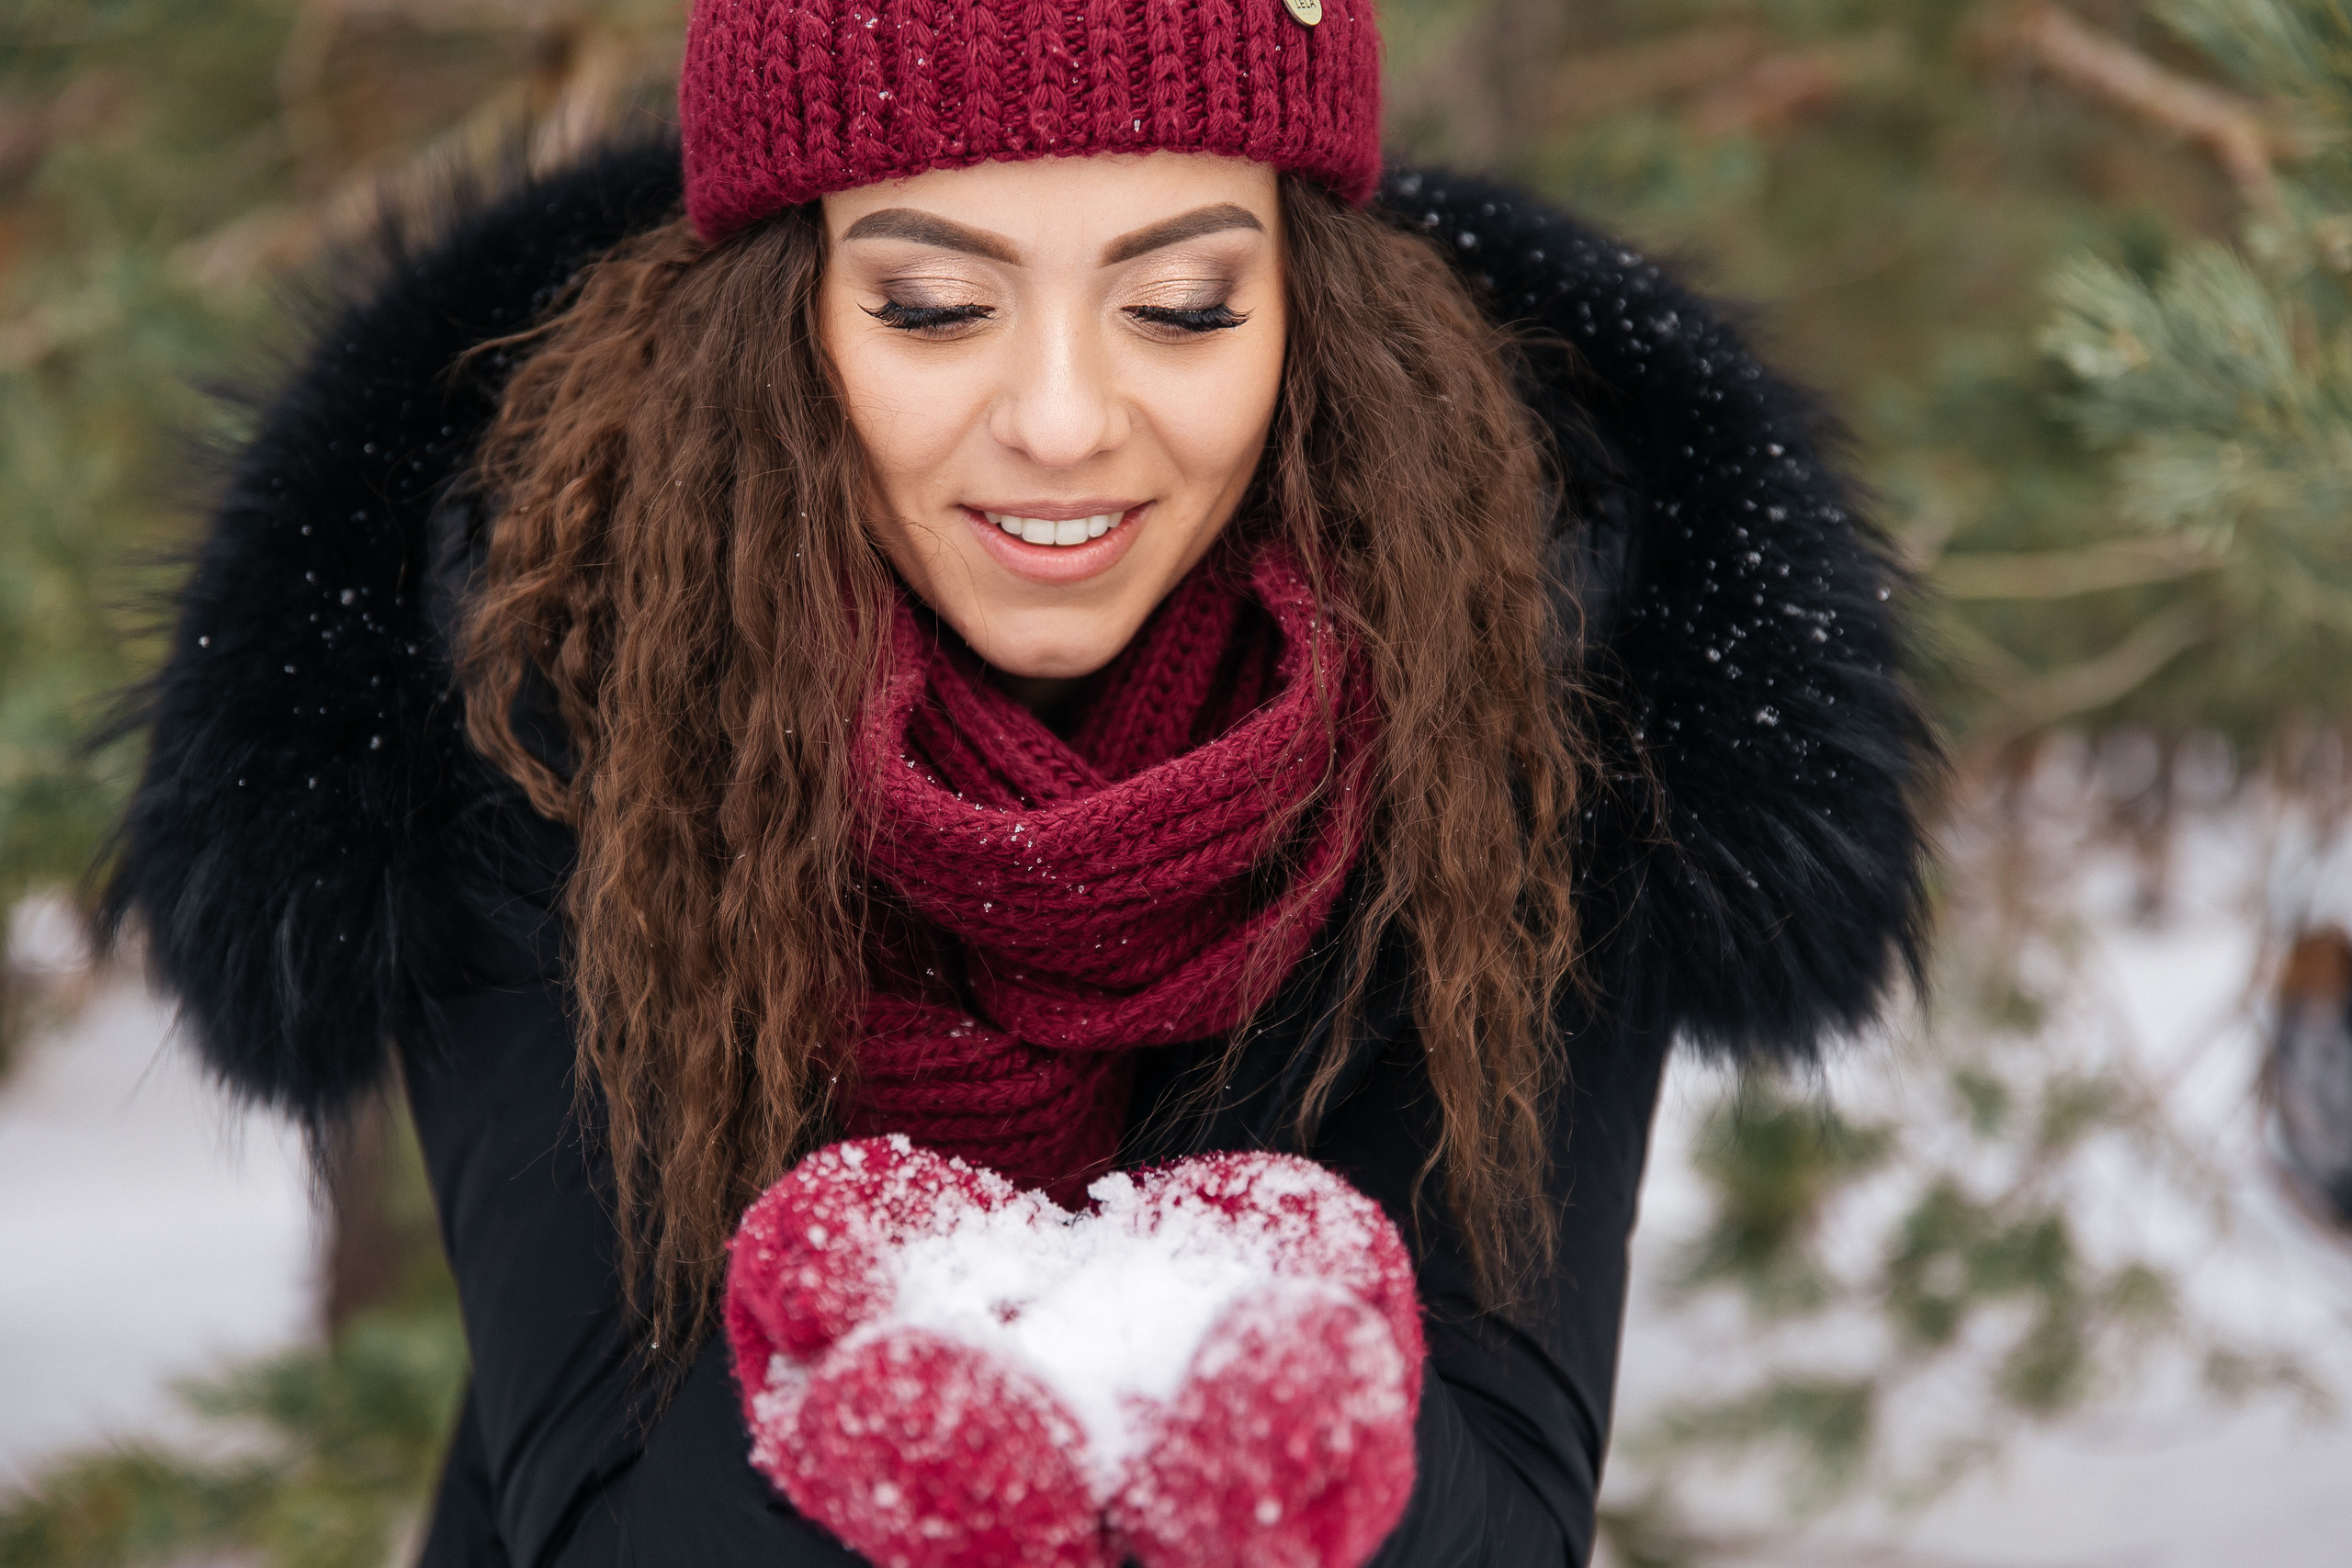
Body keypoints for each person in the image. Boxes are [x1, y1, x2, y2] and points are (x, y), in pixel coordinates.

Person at [101, 0, 1934, 1562]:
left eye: (1184, 303)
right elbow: (609, 1492)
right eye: (930, 304)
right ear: (785, 308)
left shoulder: (1528, 655)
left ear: (1306, 306)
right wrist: (929, 1401)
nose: (1061, 419)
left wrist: (1267, 1349)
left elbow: (1503, 1505)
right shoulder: (535, 651)